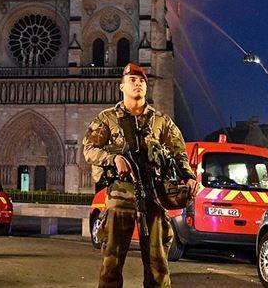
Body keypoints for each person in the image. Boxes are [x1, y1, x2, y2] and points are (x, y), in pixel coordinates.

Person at [83, 63, 200, 288]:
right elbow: (89, 149)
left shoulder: (161, 121)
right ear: (122, 86)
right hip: (120, 197)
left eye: (142, 81)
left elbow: (179, 152)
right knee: (111, 266)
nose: (138, 84)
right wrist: (113, 158)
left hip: (153, 196)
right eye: (132, 81)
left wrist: (188, 176)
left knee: (158, 267)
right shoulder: (107, 119)